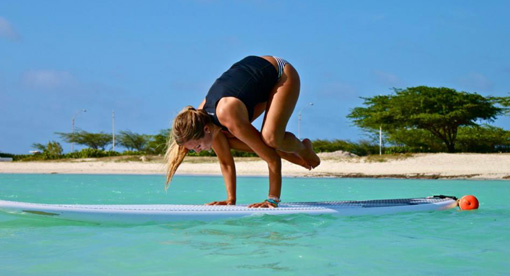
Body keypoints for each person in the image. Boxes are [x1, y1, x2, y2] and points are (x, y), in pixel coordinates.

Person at [165, 55, 320, 208]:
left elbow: (272, 159)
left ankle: (304, 149)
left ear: (206, 130)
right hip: (256, 85)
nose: (198, 151)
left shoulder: (226, 115)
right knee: (234, 141)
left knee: (270, 139)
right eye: (193, 150)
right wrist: (230, 200)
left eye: (197, 146)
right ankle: (297, 156)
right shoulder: (204, 123)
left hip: (280, 73)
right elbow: (225, 162)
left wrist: (272, 200)